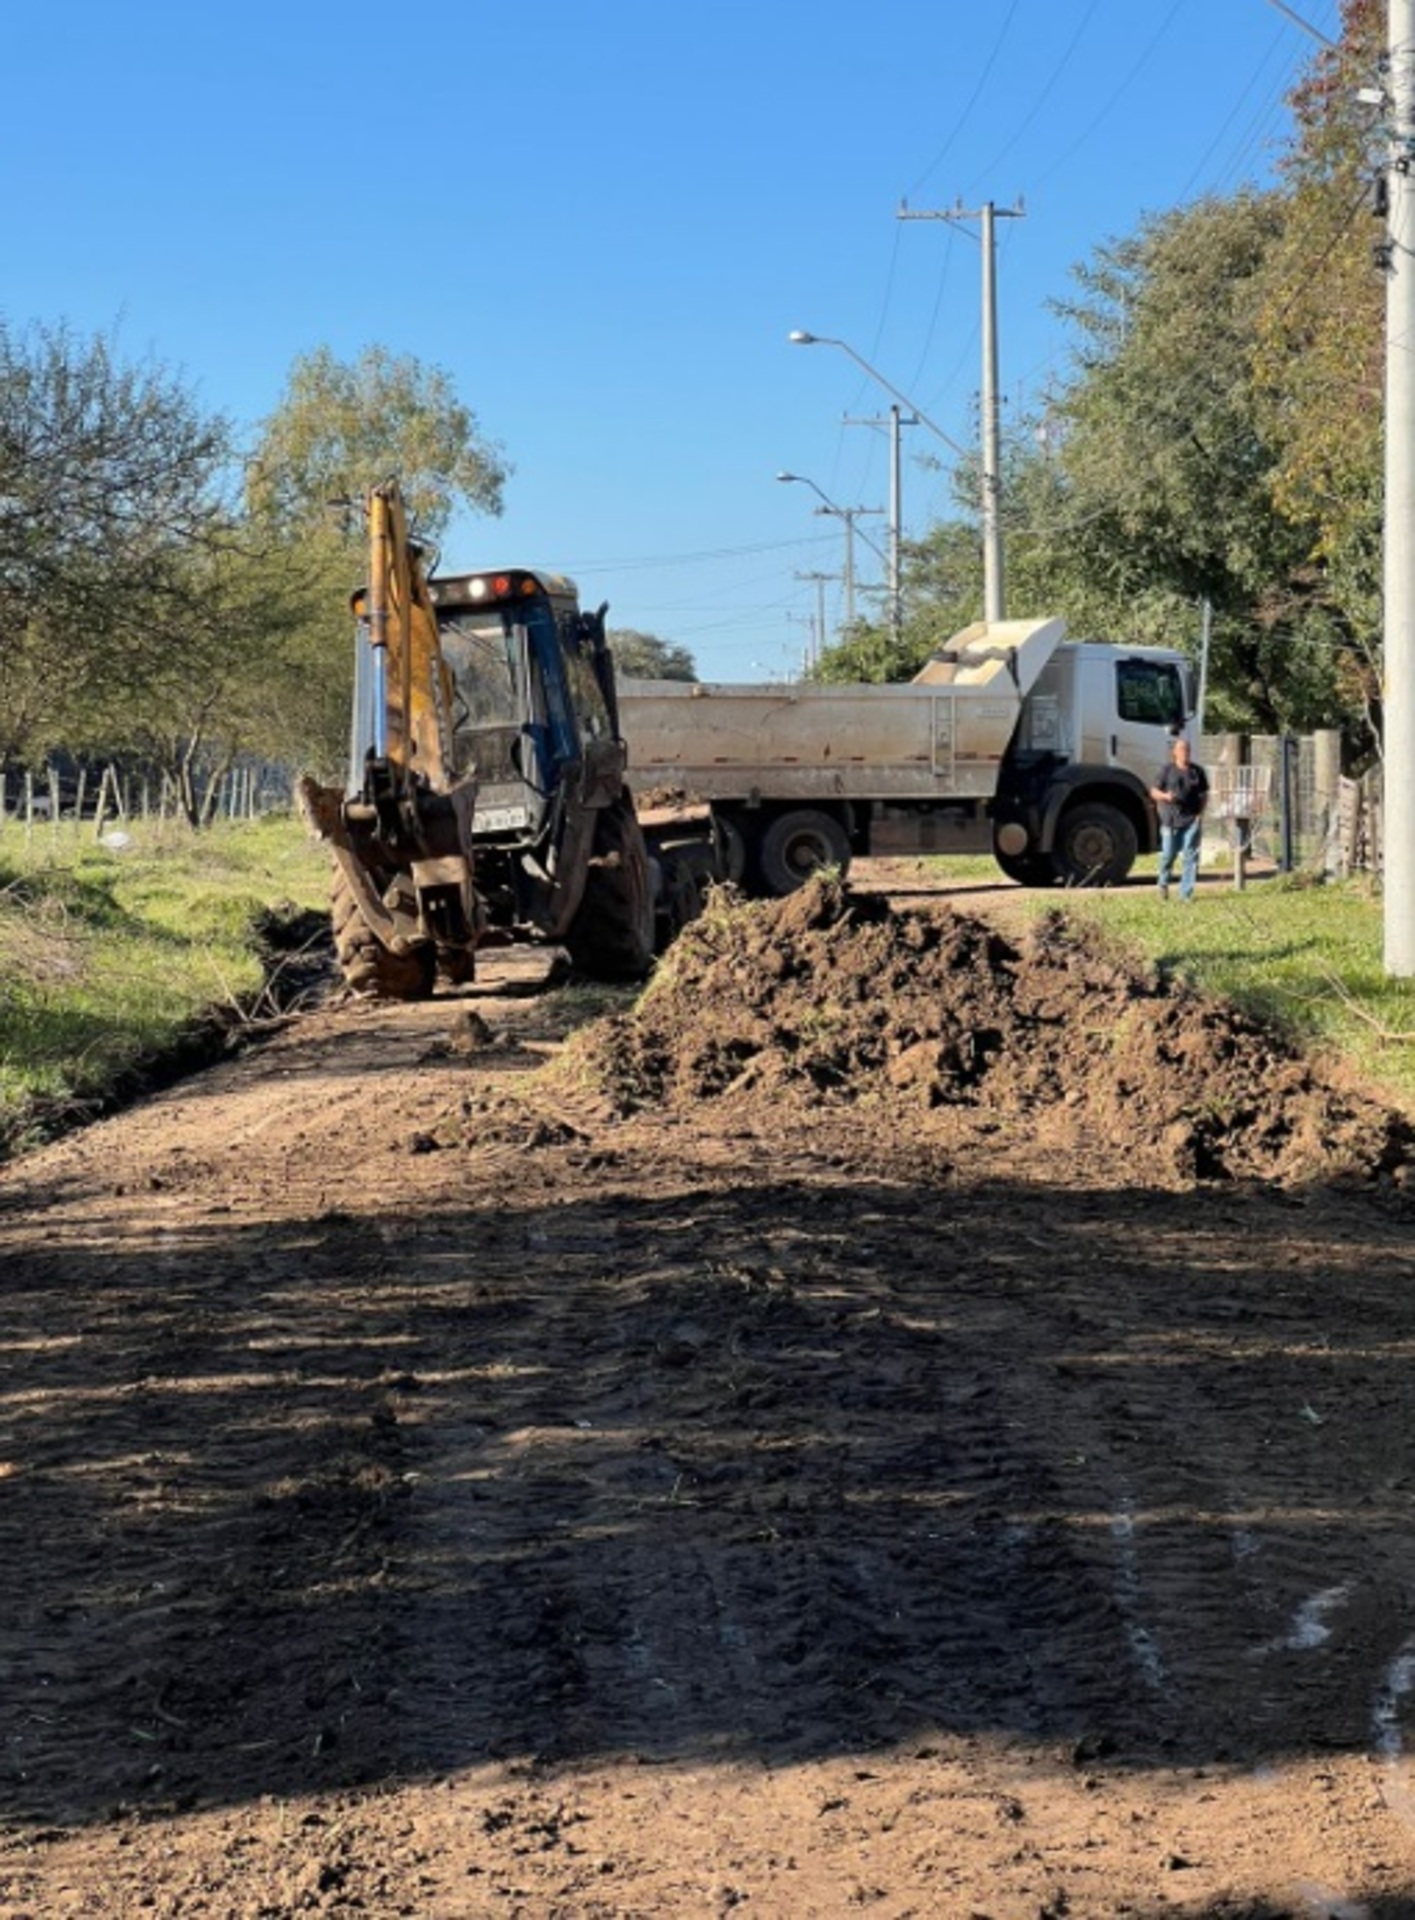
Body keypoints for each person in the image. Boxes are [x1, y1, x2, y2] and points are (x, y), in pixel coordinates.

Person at [1149, 734, 1209, 901]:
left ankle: (1186, 894)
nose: (1185, 752)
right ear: (1174, 752)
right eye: (1182, 749)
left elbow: (1204, 795)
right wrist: (1165, 797)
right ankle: (1163, 883)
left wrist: (1200, 815)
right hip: (1170, 820)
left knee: (1191, 856)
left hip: (1191, 820)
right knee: (1168, 854)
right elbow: (1153, 792)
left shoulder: (1197, 772)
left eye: (1187, 749)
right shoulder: (1166, 770)